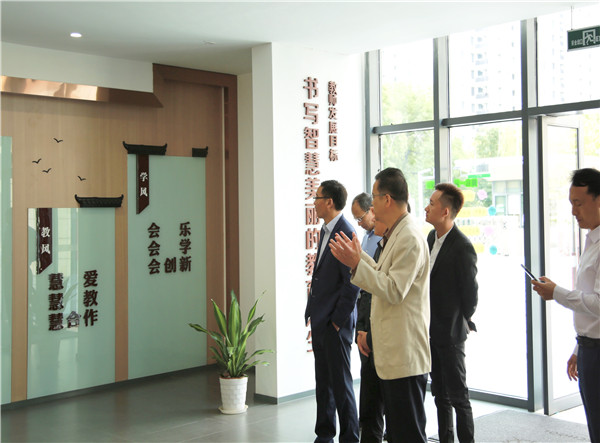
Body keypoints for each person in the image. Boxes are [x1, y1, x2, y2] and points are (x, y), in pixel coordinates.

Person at [329, 167, 430, 443]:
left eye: (374, 197)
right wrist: (358, 257)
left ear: (387, 199)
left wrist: (355, 263)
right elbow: (382, 274)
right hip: (392, 353)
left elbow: (394, 290)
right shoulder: (396, 233)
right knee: (396, 433)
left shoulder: (409, 236)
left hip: (405, 356)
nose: (371, 205)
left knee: (408, 436)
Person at [532, 168, 600, 443]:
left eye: (579, 203)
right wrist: (578, 347)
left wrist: (557, 293)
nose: (573, 211)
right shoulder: (591, 240)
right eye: (571, 203)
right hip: (589, 348)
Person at [305, 180, 360, 443]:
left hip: (334, 324)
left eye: (317, 198)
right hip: (320, 320)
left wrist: (337, 321)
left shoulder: (345, 232)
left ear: (329, 202)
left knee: (341, 384)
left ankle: (350, 437)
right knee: (323, 382)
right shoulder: (326, 230)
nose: (313, 202)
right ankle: (325, 433)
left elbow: (353, 282)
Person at [424, 183, 478, 443]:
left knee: (458, 396)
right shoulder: (430, 238)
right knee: (439, 394)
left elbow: (470, 294)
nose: (427, 207)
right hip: (430, 330)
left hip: (451, 332)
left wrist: (462, 319)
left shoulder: (462, 246)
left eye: (432, 203)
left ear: (445, 211)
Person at [351, 193, 384, 442]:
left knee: (379, 375)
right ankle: (368, 426)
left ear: (373, 210)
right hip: (363, 306)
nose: (360, 223)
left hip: (378, 308)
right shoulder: (367, 237)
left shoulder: (389, 239)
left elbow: (381, 282)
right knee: (367, 371)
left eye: (361, 217)